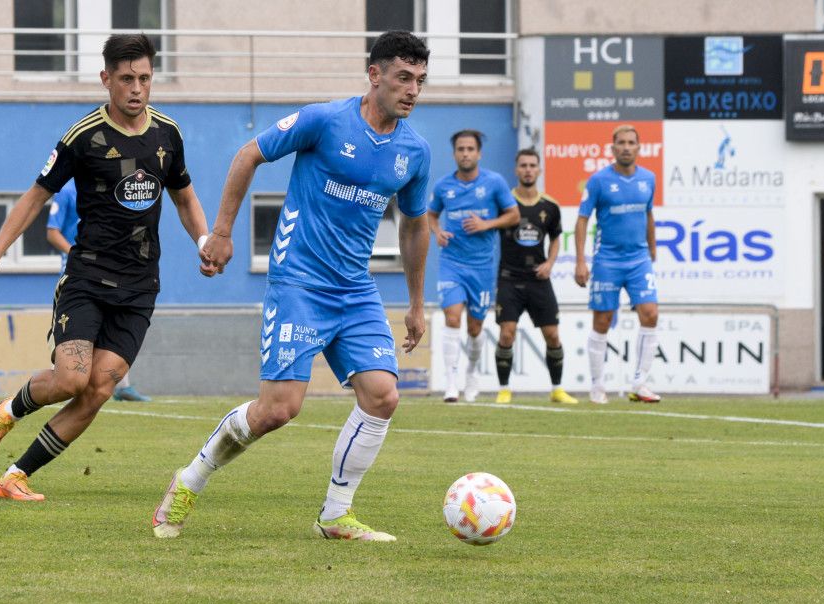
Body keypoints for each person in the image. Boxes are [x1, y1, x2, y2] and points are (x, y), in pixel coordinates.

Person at [151, 31, 432, 542]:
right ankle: (189, 479)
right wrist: (221, 232)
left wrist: (416, 302)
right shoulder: (325, 120)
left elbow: (414, 225)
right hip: (299, 280)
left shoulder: (414, 151)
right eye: (403, 78)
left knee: (383, 396)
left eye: (419, 81)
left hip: (355, 289)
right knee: (279, 409)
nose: (412, 90)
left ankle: (335, 514)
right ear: (375, 75)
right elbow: (247, 155)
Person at [0, 34, 215, 501]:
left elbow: (185, 197)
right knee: (73, 378)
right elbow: (36, 197)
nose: (136, 88)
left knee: (98, 389)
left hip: (140, 287)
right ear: (106, 80)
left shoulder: (168, 136)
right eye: (126, 79)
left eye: (144, 78)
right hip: (87, 280)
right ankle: (8, 413)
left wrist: (204, 241)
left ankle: (16, 475)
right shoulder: (84, 137)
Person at [428, 129, 519, 403]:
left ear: (478, 153)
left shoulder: (494, 183)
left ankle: (471, 372)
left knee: (475, 328)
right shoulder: (444, 186)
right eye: (460, 149)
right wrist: (438, 231)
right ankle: (451, 384)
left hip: (482, 267)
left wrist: (486, 224)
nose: (465, 153)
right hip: (451, 263)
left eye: (470, 149)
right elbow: (431, 215)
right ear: (454, 153)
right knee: (452, 317)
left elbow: (513, 215)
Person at [573, 125, 661, 405]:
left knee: (650, 313)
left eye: (631, 142)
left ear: (638, 147)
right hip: (607, 261)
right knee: (602, 321)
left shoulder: (649, 178)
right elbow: (583, 219)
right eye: (621, 142)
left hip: (638, 260)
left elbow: (648, 214)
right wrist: (580, 260)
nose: (626, 147)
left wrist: (652, 248)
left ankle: (640, 382)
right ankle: (598, 385)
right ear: (612, 148)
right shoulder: (599, 181)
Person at [46, 181, 152, 402]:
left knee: (113, 325)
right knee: (77, 330)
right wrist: (79, 254)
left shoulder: (109, 186)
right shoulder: (66, 192)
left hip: (109, 272)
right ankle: (61, 383)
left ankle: (122, 386)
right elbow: (52, 232)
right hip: (77, 274)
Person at [493, 149, 577, 405]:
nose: (528, 169)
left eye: (532, 165)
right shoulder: (504, 203)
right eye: (523, 165)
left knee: (552, 336)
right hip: (509, 278)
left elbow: (556, 239)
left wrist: (550, 263)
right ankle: (504, 389)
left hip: (538, 280)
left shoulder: (550, 206)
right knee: (507, 334)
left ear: (539, 170)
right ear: (516, 170)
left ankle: (557, 389)